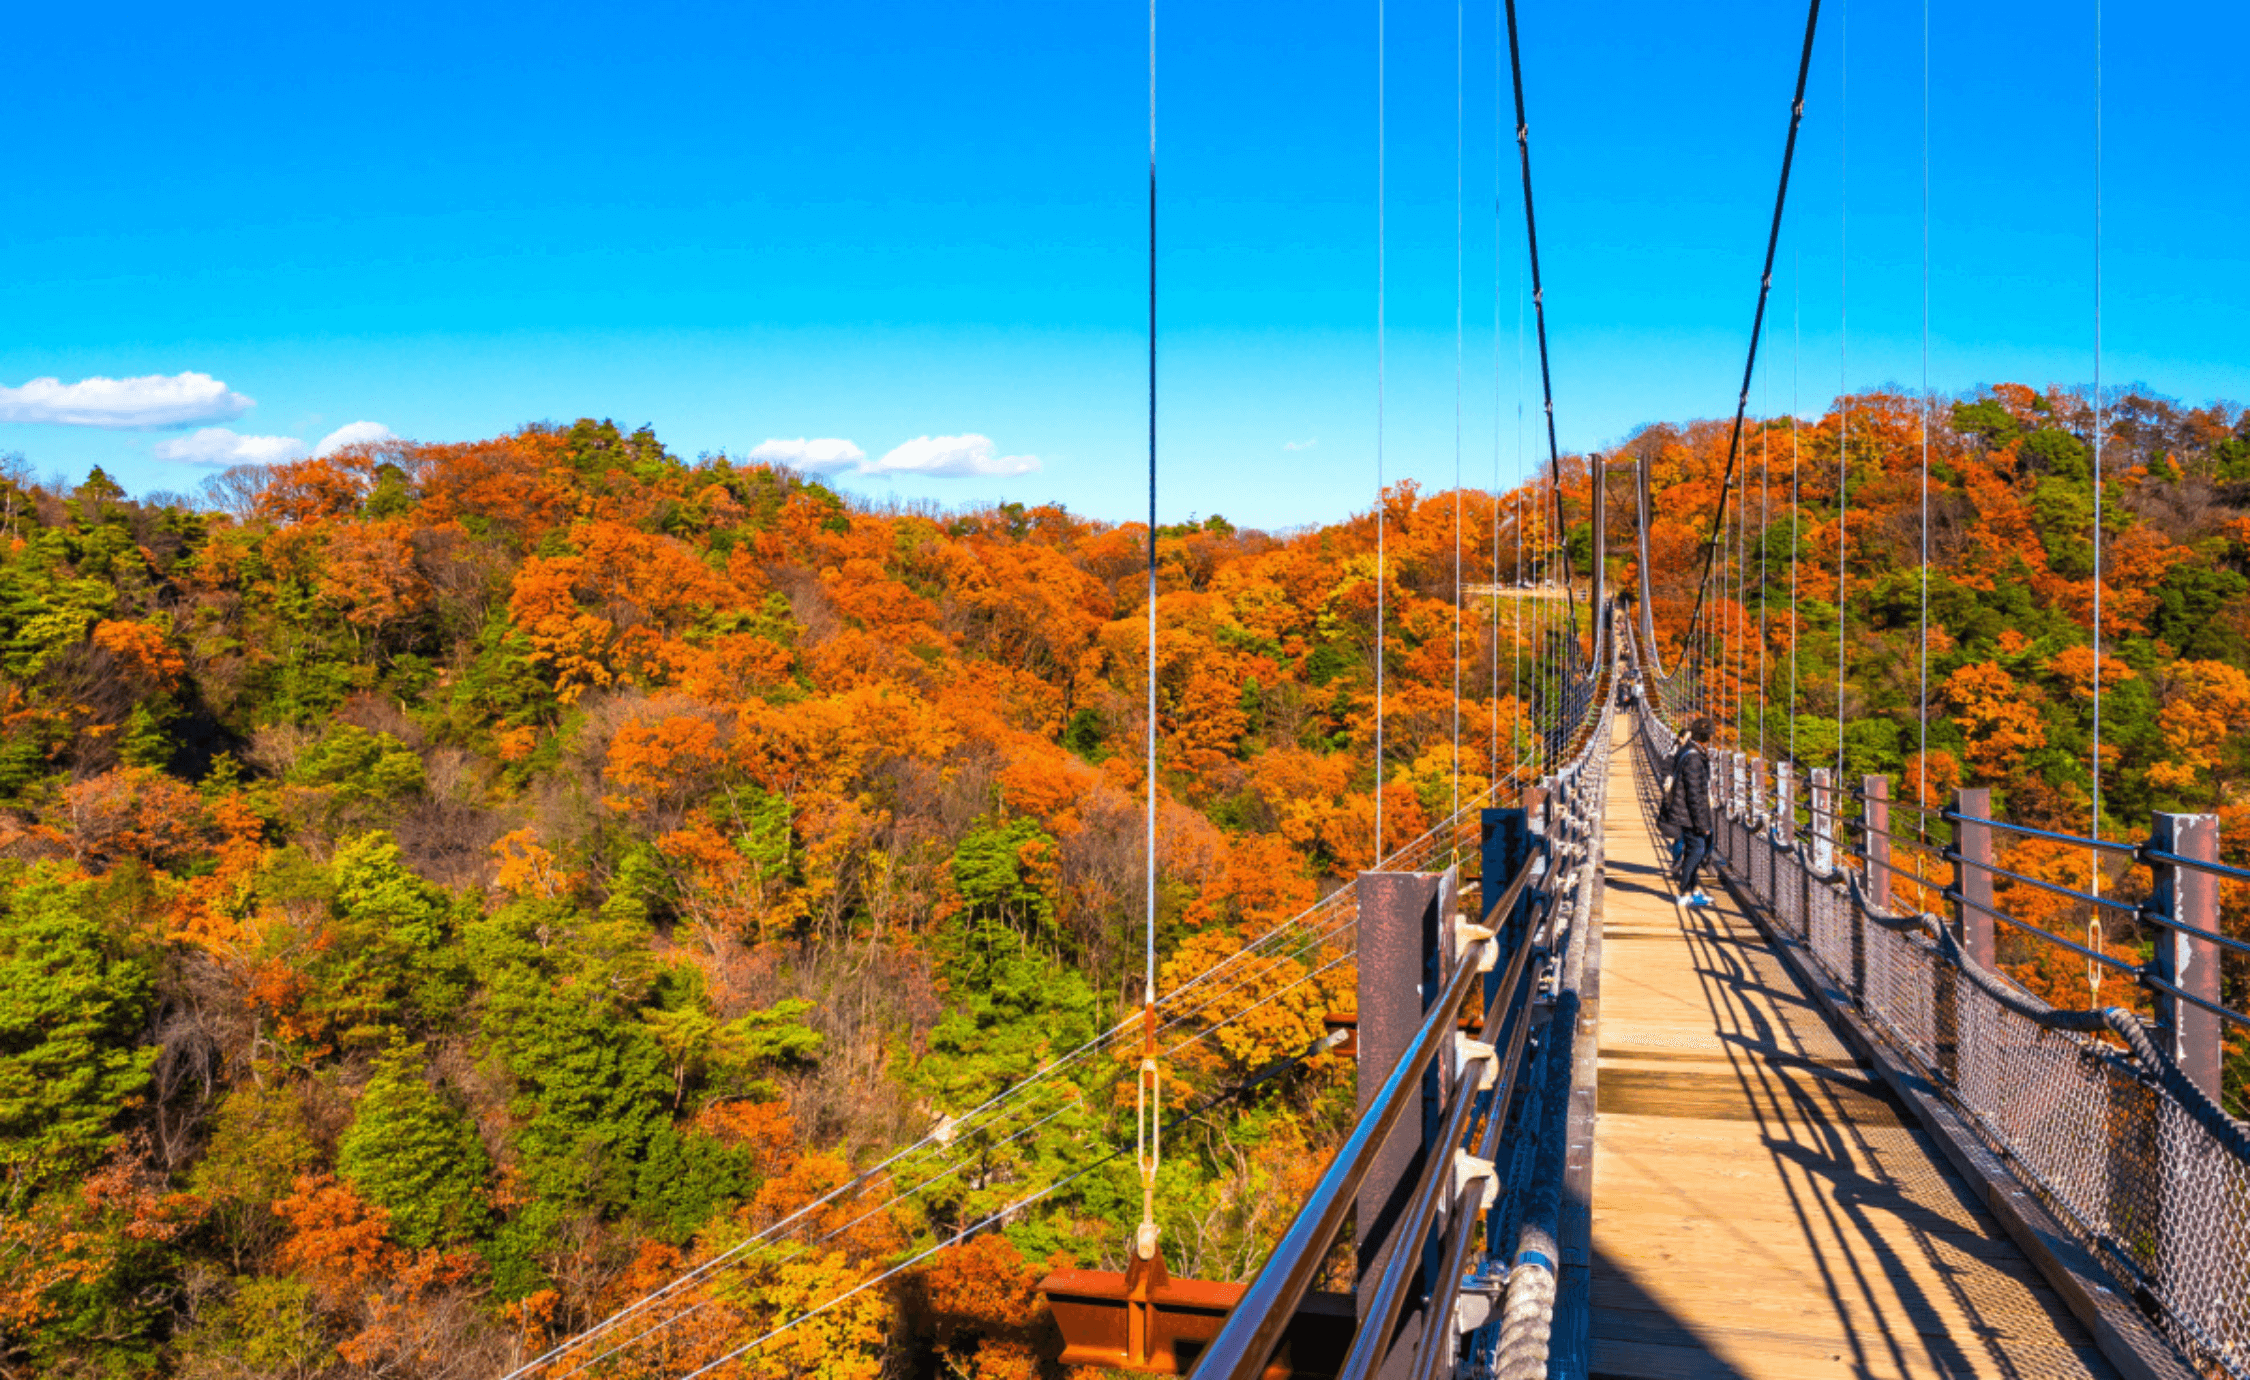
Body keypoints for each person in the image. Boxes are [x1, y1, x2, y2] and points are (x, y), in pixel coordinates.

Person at [1657, 716, 1716, 908]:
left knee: (1694, 850)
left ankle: (1693, 891)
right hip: (1689, 815)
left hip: (1686, 812)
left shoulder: (1689, 752)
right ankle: (1684, 892)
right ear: (1708, 737)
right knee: (1697, 850)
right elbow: (1695, 794)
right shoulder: (1694, 758)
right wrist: (1703, 824)